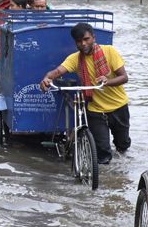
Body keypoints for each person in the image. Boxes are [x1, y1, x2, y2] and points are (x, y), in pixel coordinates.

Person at [40, 22, 130, 164]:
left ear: (93, 38)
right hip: (96, 109)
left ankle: (121, 175)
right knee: (103, 153)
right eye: (79, 41)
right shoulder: (75, 59)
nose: (83, 44)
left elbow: (124, 77)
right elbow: (57, 72)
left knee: (122, 146)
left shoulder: (110, 51)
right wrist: (47, 78)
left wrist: (107, 81)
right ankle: (103, 179)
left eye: (86, 39)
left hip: (119, 107)